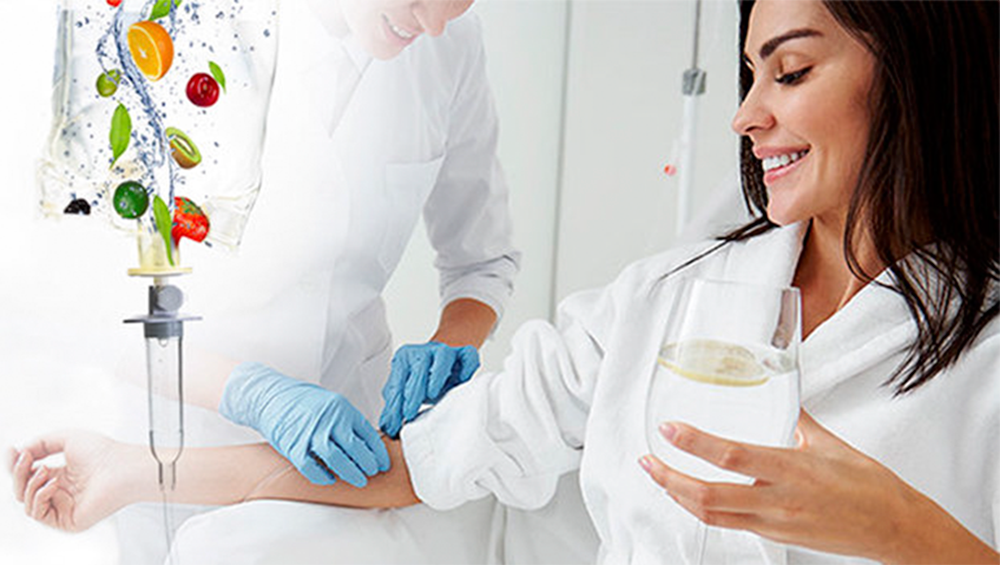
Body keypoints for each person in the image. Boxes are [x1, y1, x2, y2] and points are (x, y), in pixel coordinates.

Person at [11, 0, 999, 563]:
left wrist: (908, 531)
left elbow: (479, 259)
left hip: (334, 409)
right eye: (752, 75)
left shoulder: (981, 352)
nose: (743, 115)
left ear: (917, 66)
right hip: (166, 408)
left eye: (785, 73)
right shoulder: (665, 299)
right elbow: (428, 457)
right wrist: (143, 459)